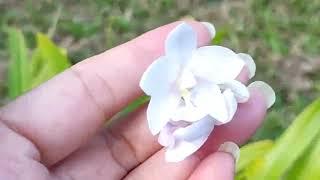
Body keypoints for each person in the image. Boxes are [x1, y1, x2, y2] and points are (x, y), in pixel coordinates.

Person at [0, 21, 268, 180]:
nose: (188, 85)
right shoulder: (159, 86)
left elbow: (217, 99)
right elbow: (158, 112)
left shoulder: (200, 86)